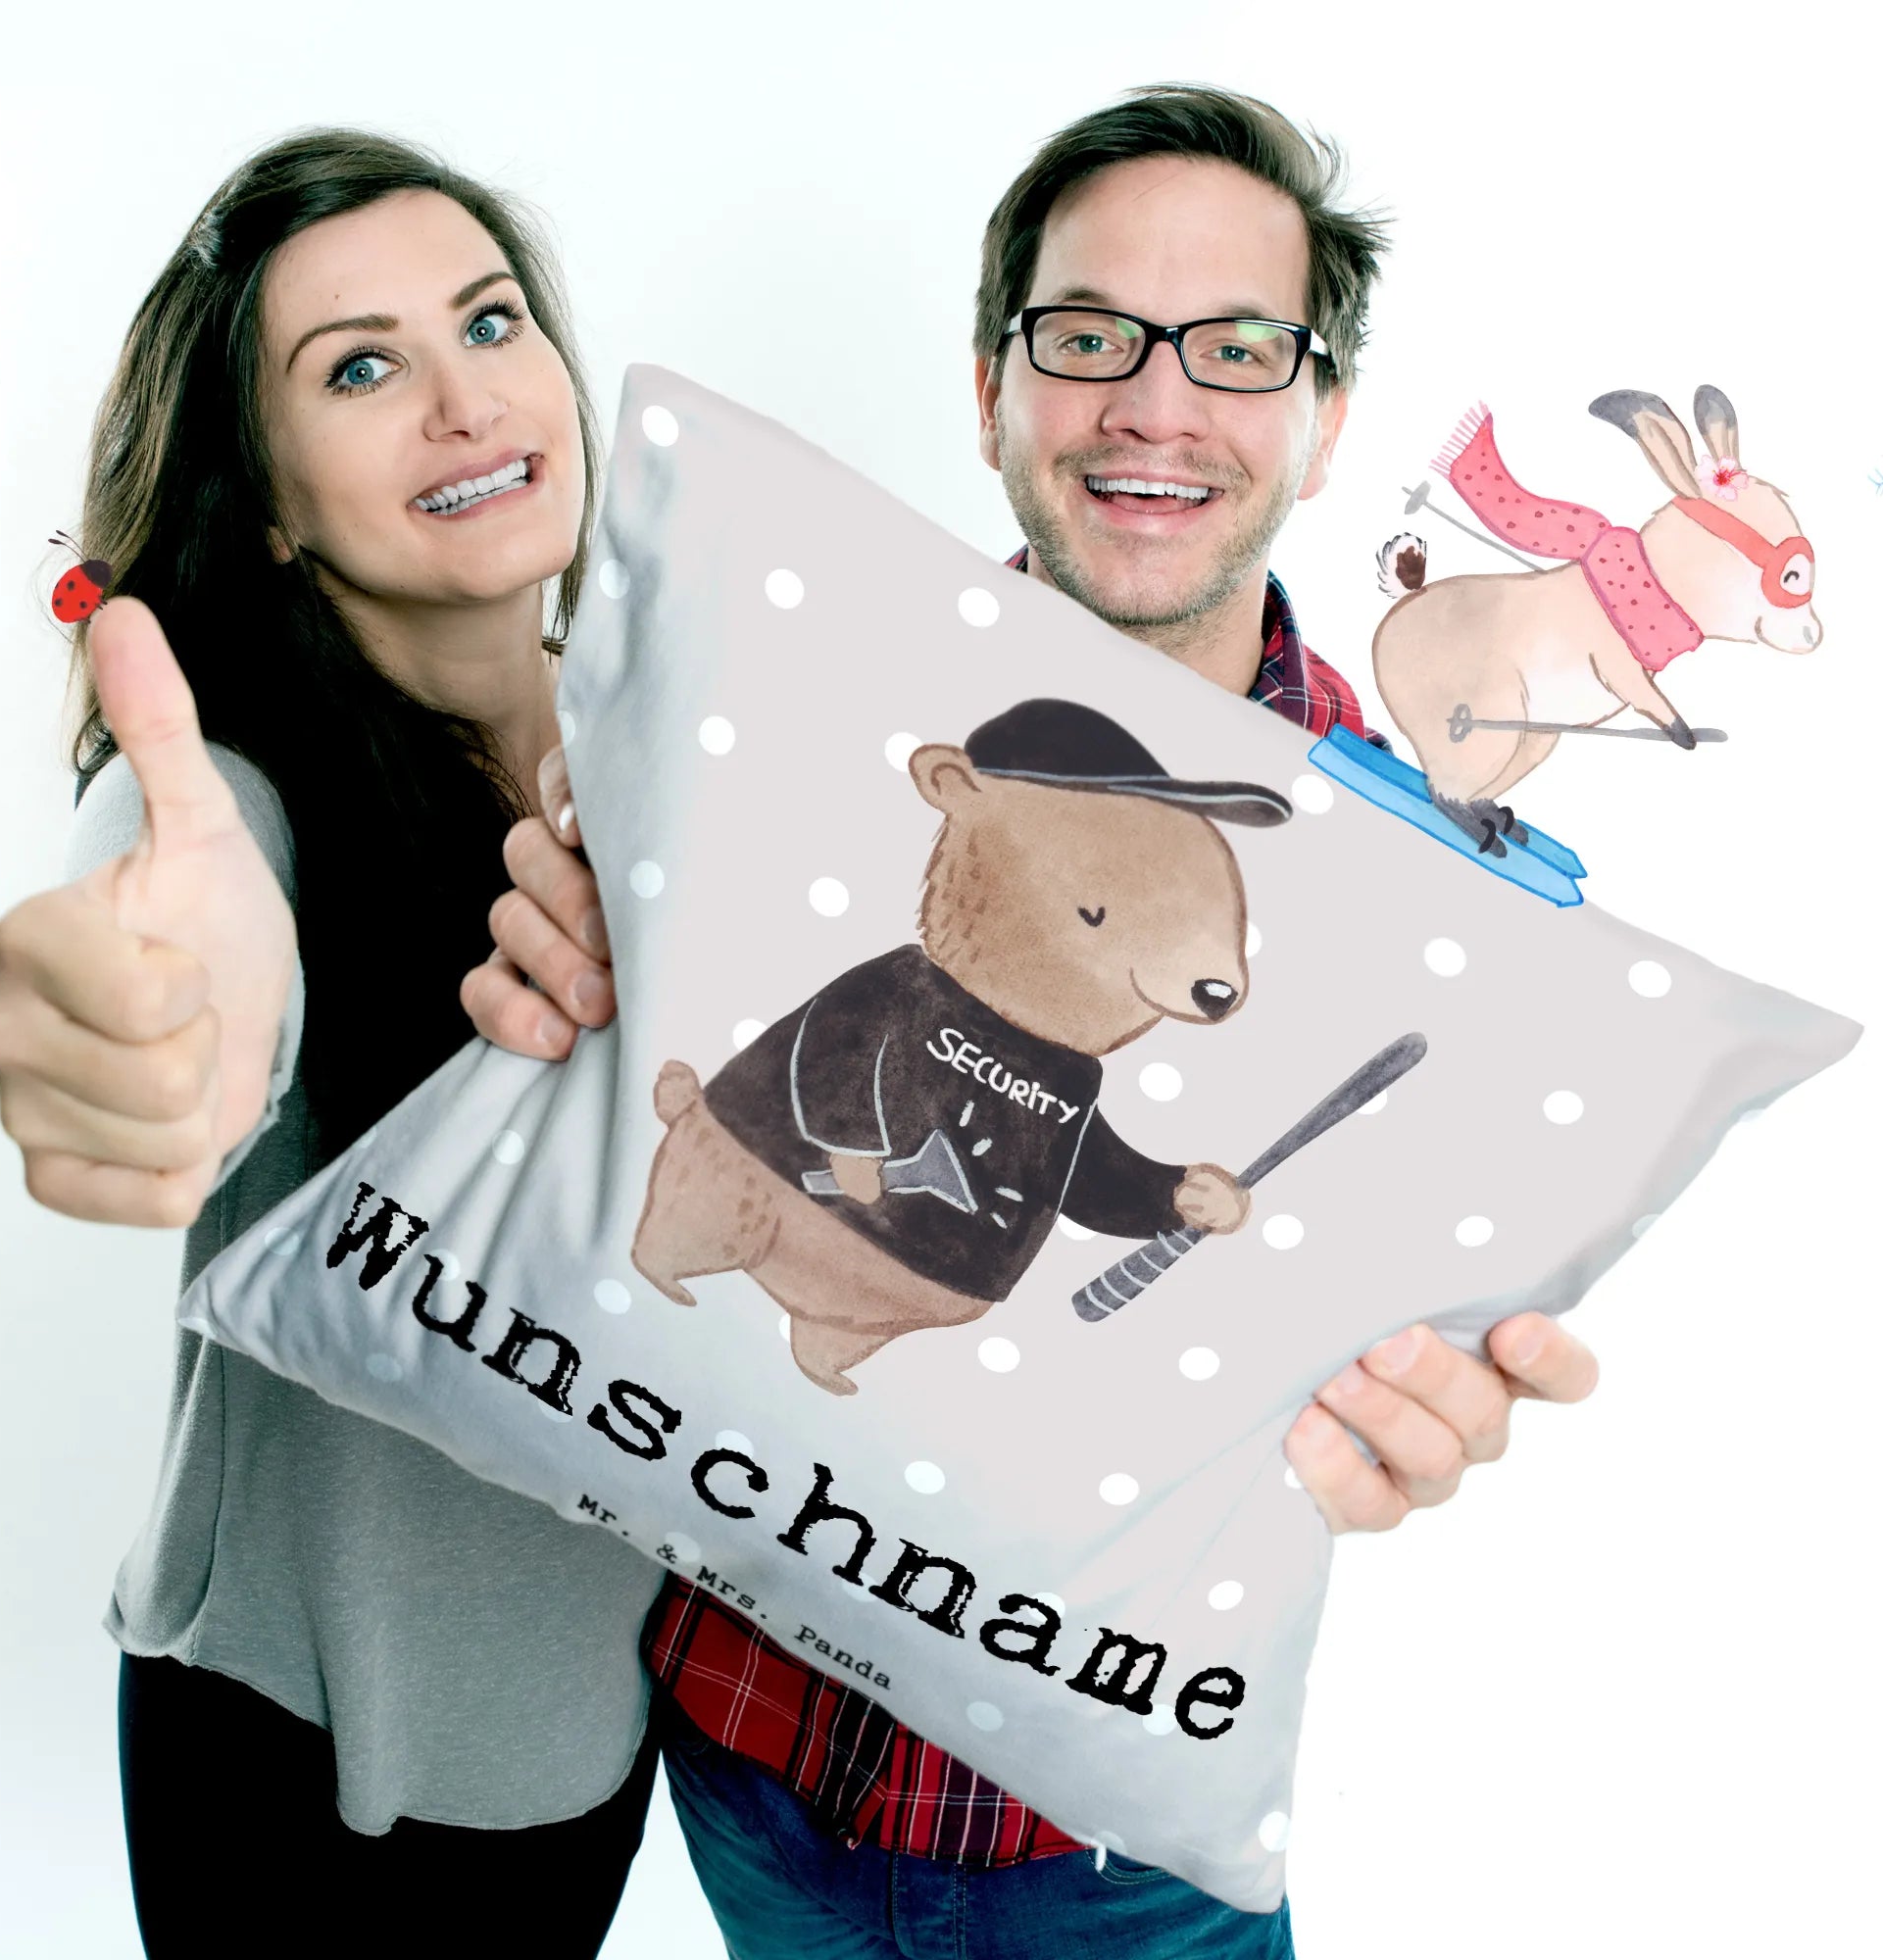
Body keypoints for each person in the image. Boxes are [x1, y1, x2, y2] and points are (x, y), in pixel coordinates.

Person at [466, 85, 1602, 1956]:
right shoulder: (773, 714)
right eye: (1090, 337)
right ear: (992, 389)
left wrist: (1424, 1400)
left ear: (1323, 425)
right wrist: (556, 982)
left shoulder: (1426, 905)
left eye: (1238, 348)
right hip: (742, 1763)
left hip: (1118, 1847)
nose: (1157, 404)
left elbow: (1390, 1327)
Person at [0, 132, 663, 1955]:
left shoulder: (670, 757)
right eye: (359, 368)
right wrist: (147, 1016)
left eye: (489, 323)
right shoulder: (236, 793)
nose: (463, 400)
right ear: (269, 503)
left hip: (593, 1734)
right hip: (306, 1765)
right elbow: (179, 913)